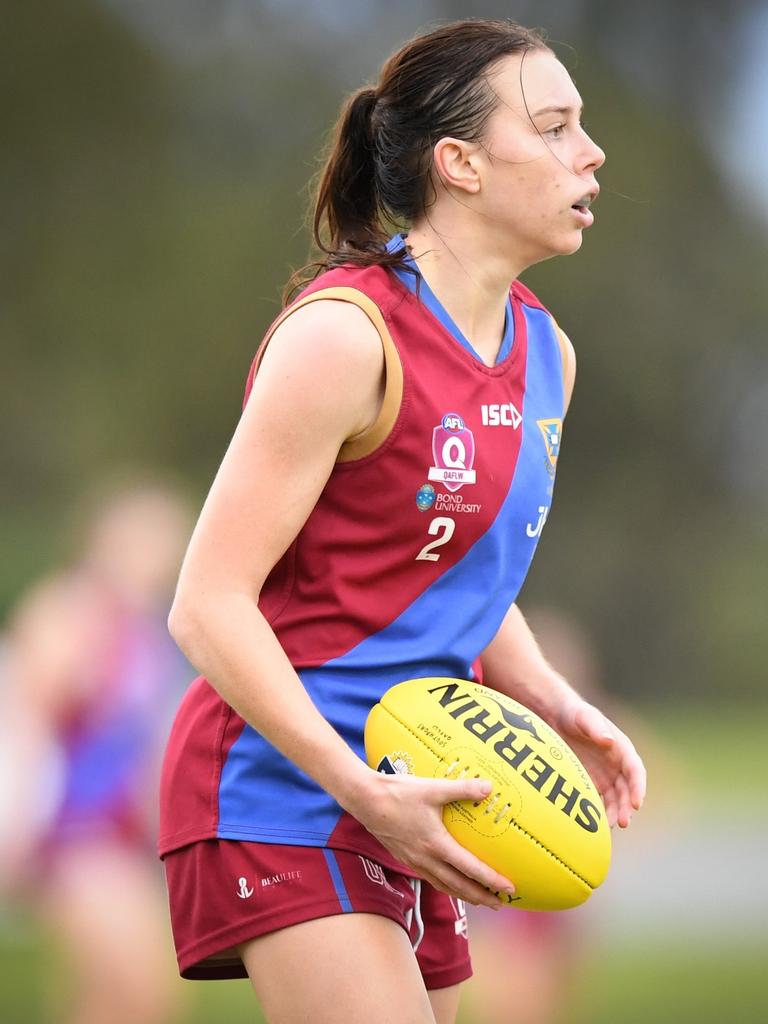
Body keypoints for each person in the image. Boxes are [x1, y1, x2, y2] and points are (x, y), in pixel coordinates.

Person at [160, 19, 647, 1024]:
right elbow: (206, 607)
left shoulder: (547, 353)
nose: (590, 154)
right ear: (459, 163)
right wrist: (356, 785)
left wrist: (556, 702)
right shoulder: (347, 337)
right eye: (554, 127)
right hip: (284, 781)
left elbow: (454, 577)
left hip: (423, 780)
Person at [0, 481, 192, 1024]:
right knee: (144, 986)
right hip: (68, 833)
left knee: (113, 999)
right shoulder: (68, 610)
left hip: (119, 835)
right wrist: (16, 834)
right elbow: (25, 721)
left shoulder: (150, 628)